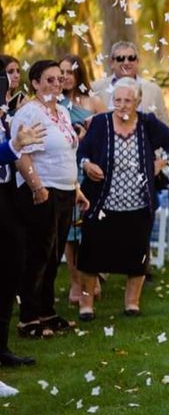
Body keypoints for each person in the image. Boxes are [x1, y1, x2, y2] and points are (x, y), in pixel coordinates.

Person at [76, 78, 169, 319]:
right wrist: (87, 165)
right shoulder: (100, 123)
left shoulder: (147, 123)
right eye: (118, 100)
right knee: (91, 252)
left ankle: (131, 303)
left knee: (137, 253)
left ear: (138, 102)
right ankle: (86, 304)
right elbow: (82, 152)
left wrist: (161, 162)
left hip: (138, 201)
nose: (122, 105)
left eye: (128, 100)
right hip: (103, 200)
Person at [11, 60, 90, 339]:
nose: (56, 84)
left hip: (66, 189)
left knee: (55, 253)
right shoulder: (29, 113)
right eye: (49, 79)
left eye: (60, 79)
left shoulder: (63, 113)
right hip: (42, 190)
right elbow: (21, 154)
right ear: (34, 83)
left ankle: (47, 311)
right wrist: (36, 187)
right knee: (39, 253)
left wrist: (76, 189)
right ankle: (29, 317)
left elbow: (67, 154)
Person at [59, 55, 105, 306]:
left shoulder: (93, 101)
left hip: (87, 168)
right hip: (65, 168)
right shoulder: (54, 103)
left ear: (79, 74)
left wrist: (88, 133)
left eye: (70, 71)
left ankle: (93, 277)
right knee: (70, 230)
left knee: (89, 227)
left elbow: (107, 131)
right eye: (61, 71)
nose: (65, 76)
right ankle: (75, 281)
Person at [0, 121, 47, 370]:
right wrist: (14, 145)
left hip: (6, 195)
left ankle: (2, 347)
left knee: (11, 269)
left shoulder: (4, 118)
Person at [91, 41, 169, 126]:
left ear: (137, 61)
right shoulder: (96, 88)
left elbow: (165, 125)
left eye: (131, 58)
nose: (126, 62)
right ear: (111, 63)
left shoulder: (153, 90)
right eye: (120, 58)